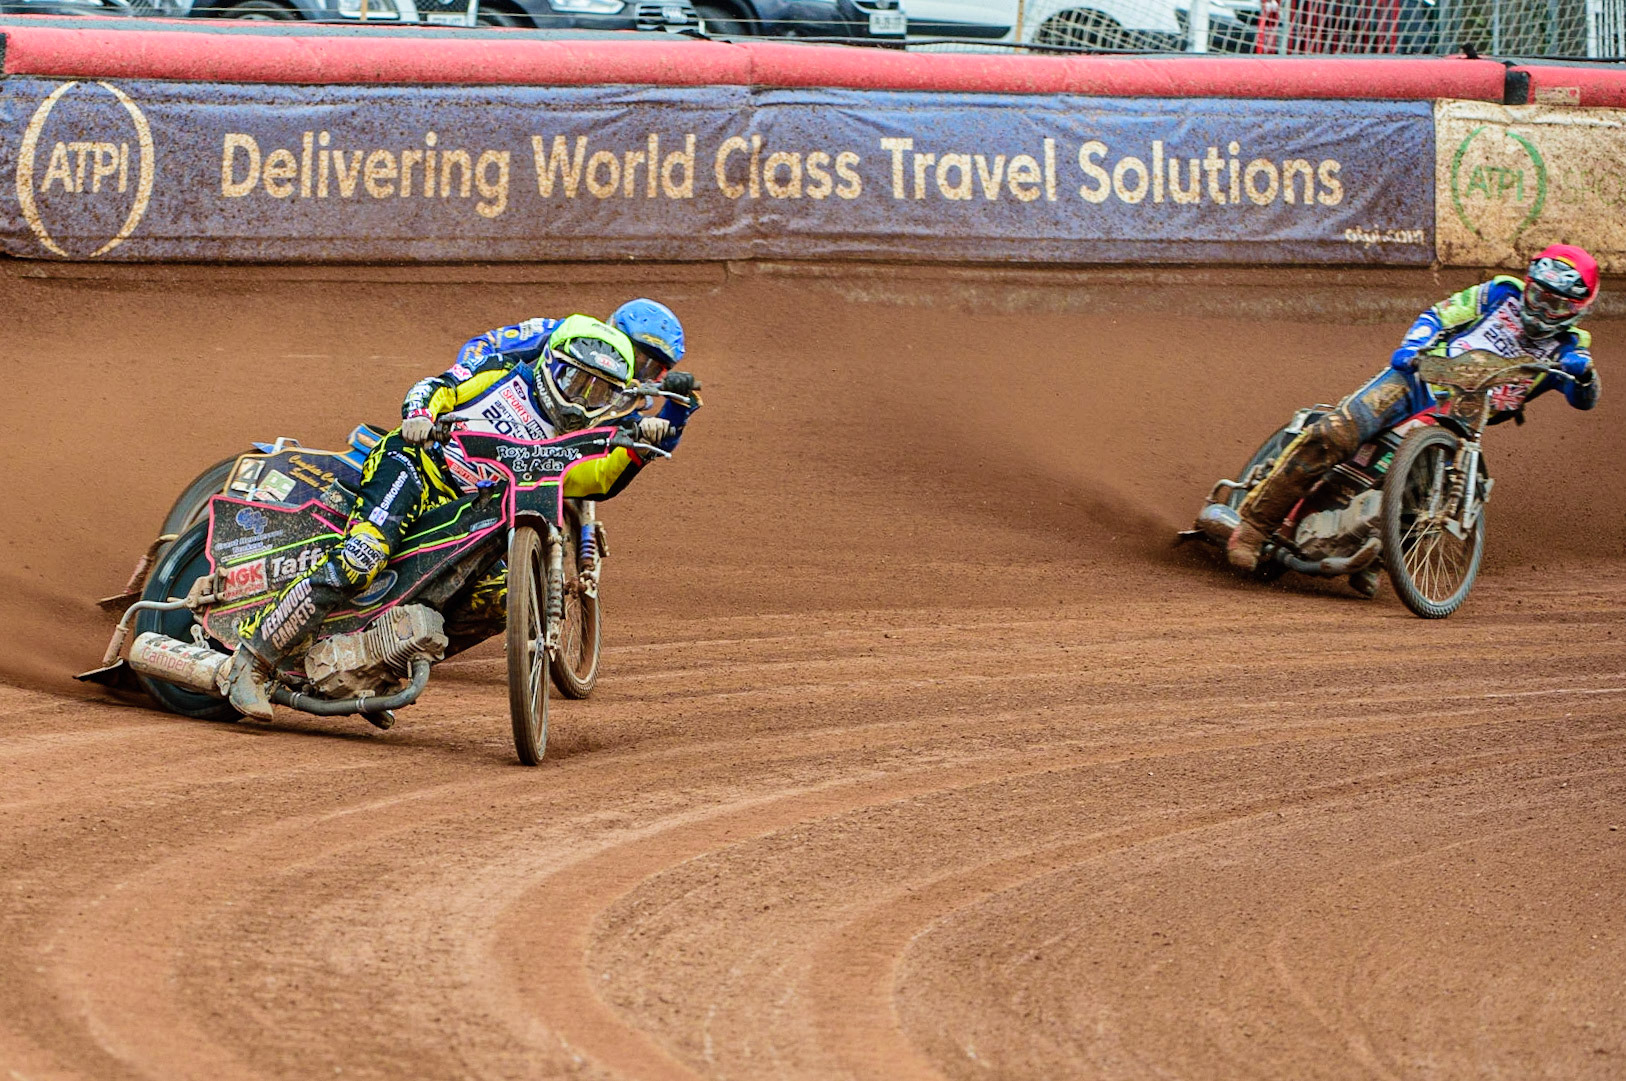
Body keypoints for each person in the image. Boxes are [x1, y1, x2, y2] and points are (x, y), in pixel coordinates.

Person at [223, 313, 686, 719]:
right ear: (551, 365)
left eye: (597, 390)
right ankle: (252, 660)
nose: (580, 397)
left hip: (469, 510)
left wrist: (665, 429)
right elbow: (438, 386)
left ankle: (378, 667)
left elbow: (598, 480)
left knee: (501, 597)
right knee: (361, 559)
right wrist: (420, 413)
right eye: (573, 380)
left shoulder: (575, 438)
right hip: (419, 467)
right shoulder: (506, 375)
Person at [1228, 243, 1603, 572]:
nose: (1539, 306)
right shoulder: (1501, 292)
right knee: (1336, 432)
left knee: (1415, 488)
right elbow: (1440, 314)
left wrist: (1584, 375)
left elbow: (1585, 399)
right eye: (1538, 294)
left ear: (1576, 308)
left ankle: (1373, 554)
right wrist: (1413, 345)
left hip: (1463, 415)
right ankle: (1254, 528)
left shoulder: (1572, 346)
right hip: (1419, 379)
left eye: (1554, 303)